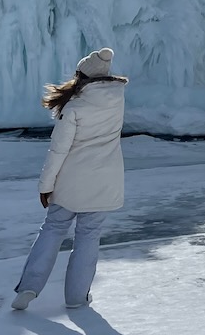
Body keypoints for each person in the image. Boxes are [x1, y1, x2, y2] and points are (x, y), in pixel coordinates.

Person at [12, 48, 128, 311]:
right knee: (89, 237)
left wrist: (45, 186)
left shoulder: (75, 106)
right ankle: (77, 297)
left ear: (82, 75)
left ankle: (30, 286)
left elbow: (58, 150)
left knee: (52, 230)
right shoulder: (117, 99)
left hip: (71, 182)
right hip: (104, 182)